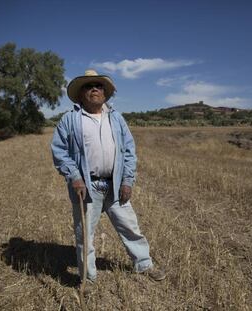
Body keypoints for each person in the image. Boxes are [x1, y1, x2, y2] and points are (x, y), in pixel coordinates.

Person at [51, 69, 166, 287]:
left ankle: (144, 264)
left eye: (99, 85)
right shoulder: (70, 119)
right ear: (81, 93)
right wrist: (74, 176)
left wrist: (127, 181)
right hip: (86, 186)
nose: (95, 88)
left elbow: (129, 151)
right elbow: (59, 151)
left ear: (104, 92)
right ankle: (88, 279)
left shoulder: (116, 118)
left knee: (130, 227)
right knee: (85, 236)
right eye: (88, 86)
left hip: (114, 185)